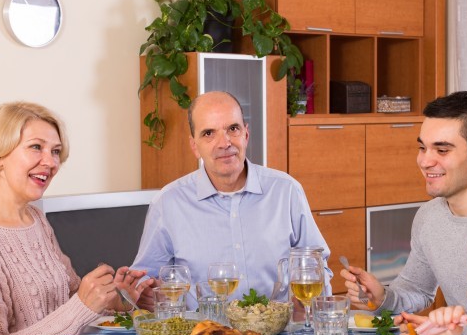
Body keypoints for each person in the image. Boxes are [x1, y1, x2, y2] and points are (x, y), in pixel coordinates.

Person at [0, 101, 149, 335]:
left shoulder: (35, 217)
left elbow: (71, 294)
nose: (50, 162)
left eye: (55, 151)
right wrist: (82, 307)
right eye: (36, 147)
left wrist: (112, 298)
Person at [341, 91, 467, 335]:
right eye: (422, 147)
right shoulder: (429, 217)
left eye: (442, 150)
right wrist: (381, 298)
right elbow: (417, 290)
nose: (424, 161)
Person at [131, 91, 331, 308]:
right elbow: (145, 279)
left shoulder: (287, 191)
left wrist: (309, 306)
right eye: (209, 133)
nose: (224, 143)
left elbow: (319, 269)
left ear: (246, 134)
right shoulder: (168, 203)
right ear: (194, 146)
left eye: (232, 129)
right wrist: (144, 291)